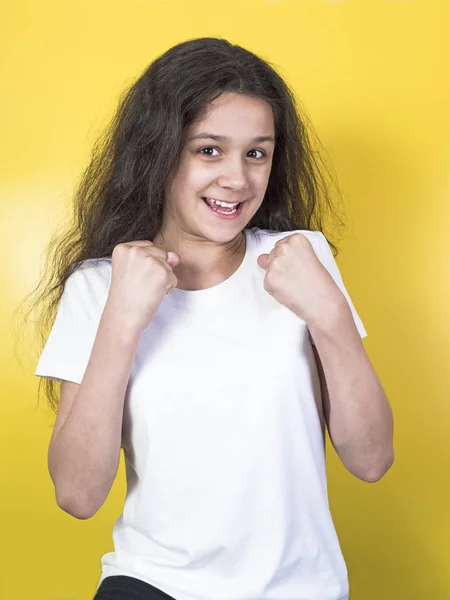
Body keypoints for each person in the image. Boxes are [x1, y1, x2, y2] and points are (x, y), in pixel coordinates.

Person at [33, 37, 394, 600]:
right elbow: (78, 495)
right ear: (160, 152)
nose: (237, 179)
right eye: (209, 150)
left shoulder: (303, 258)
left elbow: (371, 459)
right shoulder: (99, 285)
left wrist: (330, 316)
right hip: (155, 584)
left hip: (300, 587)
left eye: (257, 152)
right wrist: (120, 323)